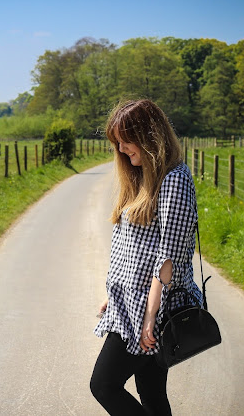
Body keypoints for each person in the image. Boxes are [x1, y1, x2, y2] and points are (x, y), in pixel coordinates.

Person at [90, 99, 202, 415]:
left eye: (126, 140)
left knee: (104, 385)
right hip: (130, 304)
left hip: (150, 308)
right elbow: (130, 249)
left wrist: (151, 315)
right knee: (151, 394)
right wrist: (114, 296)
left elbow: (170, 257)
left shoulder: (175, 178)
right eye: (117, 143)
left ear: (150, 136)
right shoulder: (141, 177)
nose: (122, 149)